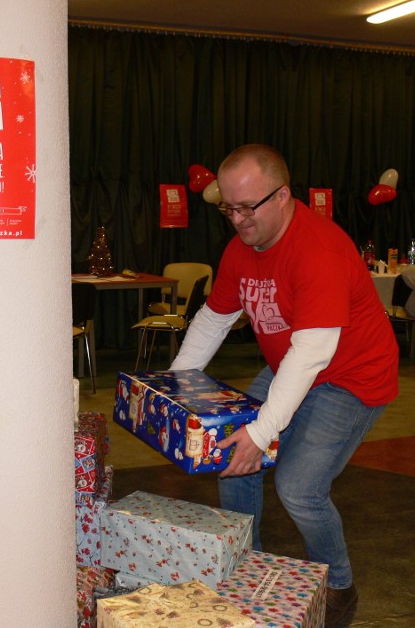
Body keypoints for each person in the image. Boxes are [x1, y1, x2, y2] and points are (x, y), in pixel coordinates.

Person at [170, 144, 399, 626]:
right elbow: (214, 320)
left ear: (284, 196)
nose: (237, 219)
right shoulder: (241, 248)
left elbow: (313, 353)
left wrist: (261, 431)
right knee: (233, 458)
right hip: (291, 365)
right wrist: (174, 387)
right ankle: (246, 566)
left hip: (351, 376)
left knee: (299, 487)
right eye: (228, 208)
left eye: (248, 207)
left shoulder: (318, 249)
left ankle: (338, 586)